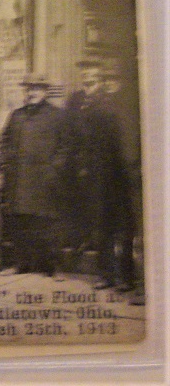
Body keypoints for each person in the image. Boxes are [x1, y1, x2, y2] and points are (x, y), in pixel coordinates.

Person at [65, 60, 133, 292]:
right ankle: (106, 274)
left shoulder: (115, 103)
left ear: (101, 80)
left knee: (123, 227)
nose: (88, 82)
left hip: (119, 174)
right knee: (101, 225)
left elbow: (125, 142)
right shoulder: (80, 104)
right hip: (93, 175)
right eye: (85, 78)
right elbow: (75, 138)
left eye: (93, 78)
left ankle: (125, 276)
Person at [0, 73, 68, 278]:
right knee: (20, 222)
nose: (33, 92)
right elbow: (5, 141)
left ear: (45, 91)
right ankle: (21, 264)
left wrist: (54, 169)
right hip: (19, 178)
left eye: (37, 88)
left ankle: (54, 267)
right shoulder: (17, 115)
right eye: (29, 88)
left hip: (45, 179)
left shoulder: (57, 116)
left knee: (47, 223)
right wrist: (4, 162)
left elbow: (66, 146)